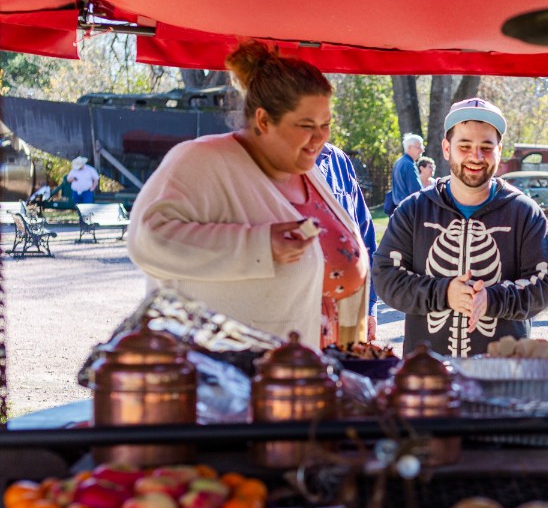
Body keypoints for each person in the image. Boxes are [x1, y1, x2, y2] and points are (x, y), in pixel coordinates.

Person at [127, 41, 369, 349]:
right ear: (264, 120)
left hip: (309, 373)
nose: (320, 137)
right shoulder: (200, 160)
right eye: (306, 125)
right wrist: (258, 245)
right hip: (226, 378)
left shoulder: (306, 169)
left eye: (326, 124)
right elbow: (148, 240)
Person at [373, 98, 548, 358]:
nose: (476, 156)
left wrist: (493, 299)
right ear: (447, 149)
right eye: (465, 146)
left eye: (486, 146)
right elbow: (385, 276)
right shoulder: (413, 210)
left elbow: (547, 281)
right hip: (427, 371)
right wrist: (444, 293)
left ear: (499, 150)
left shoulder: (524, 212)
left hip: (503, 371)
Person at [317, 142, 378, 342]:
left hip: (348, 318)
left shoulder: (337, 159)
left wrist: (369, 306)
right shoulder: (262, 163)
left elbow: (363, 231)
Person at [383, 133, 423, 215]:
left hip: (399, 208)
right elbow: (416, 190)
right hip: (408, 210)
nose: (422, 150)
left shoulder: (399, 162)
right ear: (410, 147)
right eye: (419, 147)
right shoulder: (408, 164)